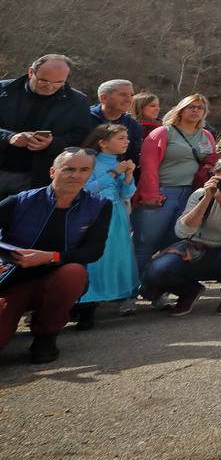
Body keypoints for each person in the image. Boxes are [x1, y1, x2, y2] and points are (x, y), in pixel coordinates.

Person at [0, 148, 110, 363]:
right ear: (53, 172)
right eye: (69, 169)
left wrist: (51, 256)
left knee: (74, 272)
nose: (76, 175)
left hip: (56, 279)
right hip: (12, 280)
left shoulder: (98, 206)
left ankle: (46, 335)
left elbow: (93, 251)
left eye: (84, 170)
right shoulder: (21, 201)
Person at [140, 158, 221, 316]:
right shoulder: (200, 194)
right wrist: (207, 198)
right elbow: (182, 231)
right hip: (197, 250)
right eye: (219, 179)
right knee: (157, 270)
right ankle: (189, 291)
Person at [132, 94, 215, 284]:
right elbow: (149, 166)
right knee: (145, 244)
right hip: (163, 193)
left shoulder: (206, 135)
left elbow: (210, 164)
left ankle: (158, 288)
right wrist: (151, 194)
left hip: (192, 196)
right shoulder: (162, 132)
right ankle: (130, 292)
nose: (195, 110)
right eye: (191, 107)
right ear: (181, 109)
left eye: (200, 108)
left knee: (174, 244)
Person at [70, 124, 139, 329]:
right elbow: (85, 188)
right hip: (93, 215)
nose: (127, 141)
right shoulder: (90, 162)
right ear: (102, 142)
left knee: (114, 256)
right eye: (121, 138)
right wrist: (112, 173)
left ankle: (114, 296)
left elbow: (127, 194)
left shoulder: (120, 163)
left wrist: (127, 176)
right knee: (94, 259)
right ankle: (86, 305)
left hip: (116, 214)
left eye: (127, 138)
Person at [0, 54, 94, 198]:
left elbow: (82, 136)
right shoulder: (3, 90)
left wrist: (52, 143)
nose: (50, 87)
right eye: (43, 81)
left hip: (37, 175)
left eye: (58, 82)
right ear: (31, 72)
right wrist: (9, 137)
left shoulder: (77, 101)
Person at [90, 79, 144, 169]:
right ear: (104, 98)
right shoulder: (84, 118)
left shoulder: (134, 126)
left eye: (131, 95)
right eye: (123, 95)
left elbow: (132, 157)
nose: (129, 99)